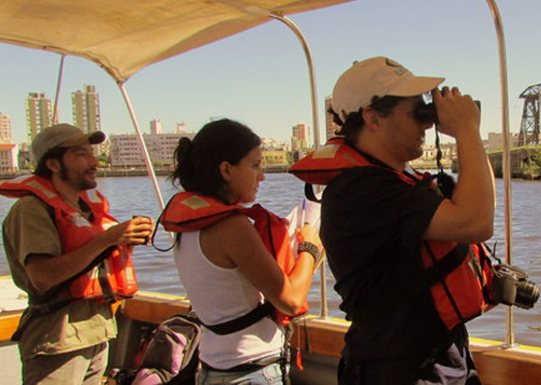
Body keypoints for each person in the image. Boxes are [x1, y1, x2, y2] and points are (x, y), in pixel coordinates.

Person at [290, 56, 496, 385]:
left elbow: (475, 212)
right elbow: (476, 222)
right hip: (399, 372)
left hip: (432, 363)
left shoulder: (393, 180)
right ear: (374, 118)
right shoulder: (362, 191)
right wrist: (467, 129)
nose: (426, 123)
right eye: (417, 111)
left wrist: (467, 132)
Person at [163, 119, 323, 385]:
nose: (262, 176)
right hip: (250, 373)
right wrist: (309, 248)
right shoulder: (231, 226)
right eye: (256, 165)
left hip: (213, 369)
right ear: (226, 169)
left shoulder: (189, 225)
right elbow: (291, 301)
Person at [1, 123, 154, 385]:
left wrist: (123, 240)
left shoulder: (85, 209)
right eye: (82, 154)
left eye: (92, 153)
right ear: (53, 164)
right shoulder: (32, 210)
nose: (95, 162)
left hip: (97, 331)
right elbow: (43, 277)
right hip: (58, 339)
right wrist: (109, 238)